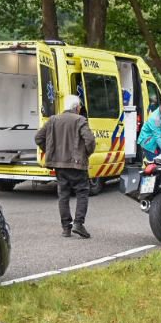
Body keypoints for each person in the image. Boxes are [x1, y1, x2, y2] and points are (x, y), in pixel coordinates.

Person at [34, 94, 97, 238]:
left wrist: (50, 151)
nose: (80, 109)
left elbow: (38, 138)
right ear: (76, 107)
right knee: (82, 192)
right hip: (77, 165)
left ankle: (66, 228)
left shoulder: (53, 120)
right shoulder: (80, 120)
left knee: (63, 195)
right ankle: (78, 224)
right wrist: (85, 154)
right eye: (80, 107)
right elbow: (90, 141)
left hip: (59, 165)